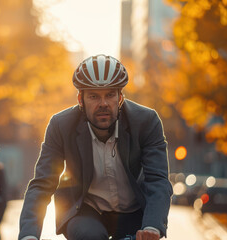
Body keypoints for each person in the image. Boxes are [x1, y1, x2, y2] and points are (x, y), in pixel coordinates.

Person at [19, 55, 173, 240]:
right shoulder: (61, 125)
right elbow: (42, 183)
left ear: (121, 98)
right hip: (85, 211)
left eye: (110, 95)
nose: (103, 104)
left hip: (134, 211)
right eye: (93, 96)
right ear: (80, 100)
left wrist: (152, 227)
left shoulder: (146, 121)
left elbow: (157, 180)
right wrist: (29, 235)